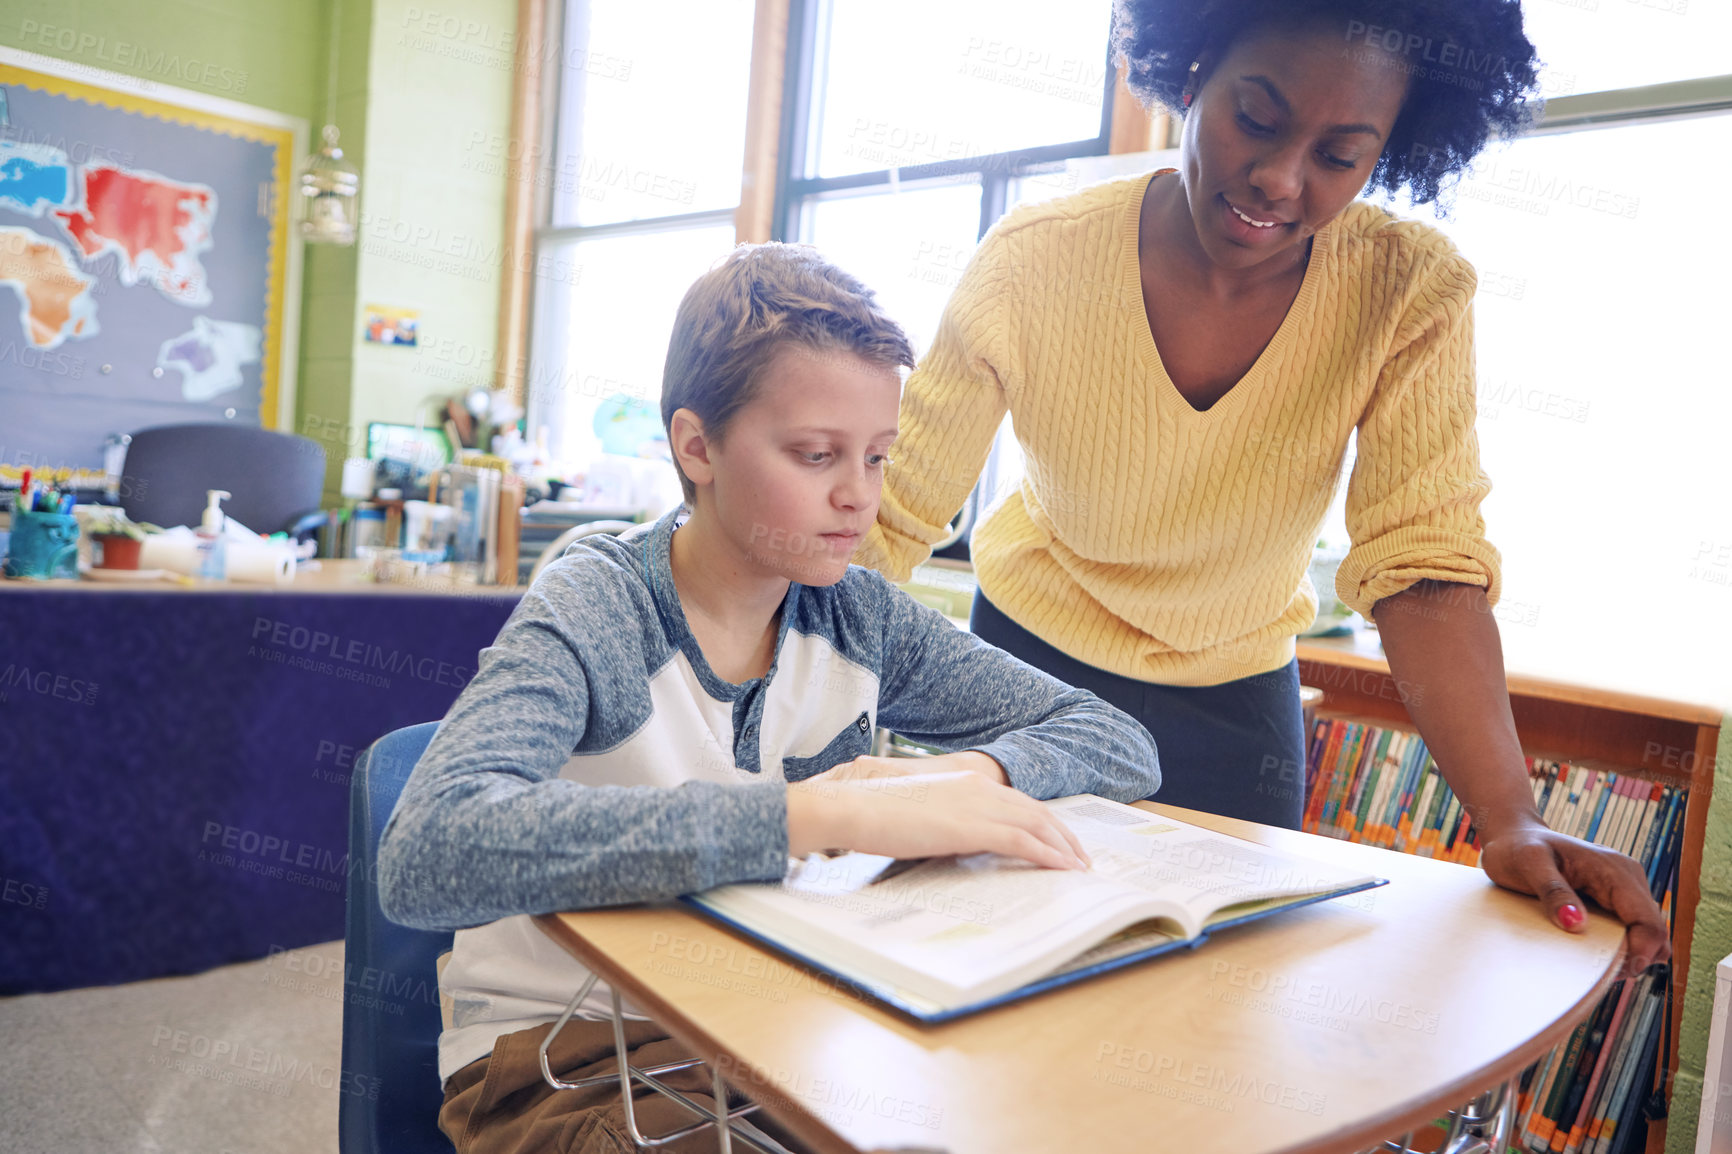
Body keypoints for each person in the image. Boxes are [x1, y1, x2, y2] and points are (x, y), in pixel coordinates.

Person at [853, 0, 1669, 978]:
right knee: (994, 981)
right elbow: (888, 511)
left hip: (1234, 709)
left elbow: (1422, 561)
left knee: (1210, 1017)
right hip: (1028, 679)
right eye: (1258, 116)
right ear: (1193, 74)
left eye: (1339, 153)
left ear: (1390, 152)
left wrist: (1508, 817)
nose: (1280, 178)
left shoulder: (1408, 291)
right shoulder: (1032, 261)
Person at [377, 243, 1160, 1154]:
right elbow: (427, 854)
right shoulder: (597, 603)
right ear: (696, 445)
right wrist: (814, 816)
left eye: (877, 456)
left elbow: (1116, 740)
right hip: (570, 1060)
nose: (858, 498)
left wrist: (960, 776)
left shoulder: (857, 616)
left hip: (783, 1032)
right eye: (817, 454)